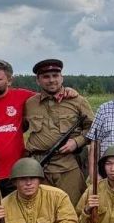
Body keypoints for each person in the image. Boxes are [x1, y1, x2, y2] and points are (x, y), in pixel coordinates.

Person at [0, 59, 76, 186]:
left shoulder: (23, 97)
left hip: (18, 174)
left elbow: (48, 95)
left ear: (9, 81)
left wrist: (65, 90)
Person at [24, 58, 95, 206]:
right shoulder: (30, 103)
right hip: (39, 168)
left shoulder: (77, 101)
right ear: (38, 80)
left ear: (62, 77)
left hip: (68, 166)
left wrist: (76, 142)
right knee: (42, 210)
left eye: (55, 76)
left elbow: (94, 129)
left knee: (72, 208)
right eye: (46, 76)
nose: (51, 80)